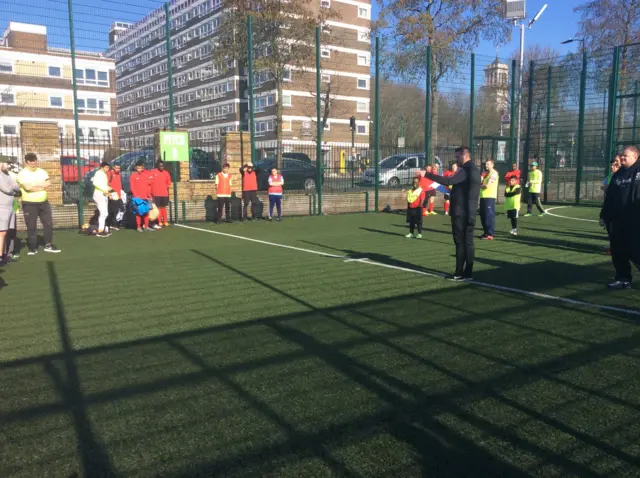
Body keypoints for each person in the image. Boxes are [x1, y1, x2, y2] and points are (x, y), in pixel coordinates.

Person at [423, 146, 481, 280]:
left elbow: (448, 181)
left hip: (461, 212)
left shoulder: (466, 170)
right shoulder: (475, 170)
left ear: (465, 156)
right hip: (470, 211)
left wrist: (427, 174)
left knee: (460, 242)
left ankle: (459, 272)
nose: (456, 159)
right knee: (468, 242)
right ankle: (468, 272)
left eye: (457, 157)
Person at [600, 146, 640, 289]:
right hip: (617, 221)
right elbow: (610, 196)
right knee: (617, 251)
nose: (622, 158)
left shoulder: (638, 171)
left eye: (626, 156)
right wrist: (604, 215)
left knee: (635, 250)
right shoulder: (618, 174)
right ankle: (623, 278)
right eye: (622, 156)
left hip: (634, 221)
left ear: (635, 157)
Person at [17, 153, 61, 255]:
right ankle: (33, 248)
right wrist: (40, 186)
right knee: (31, 226)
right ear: (26, 162)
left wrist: (34, 186)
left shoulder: (42, 171)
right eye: (30, 161)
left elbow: (48, 183)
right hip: (29, 204)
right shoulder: (22, 173)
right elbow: (28, 188)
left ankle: (48, 245)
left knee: (48, 224)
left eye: (34, 160)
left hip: (44, 202)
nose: (33, 163)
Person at [0, 156, 21, 265]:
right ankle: (1, 256)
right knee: (2, 233)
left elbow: (17, 186)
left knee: (8, 231)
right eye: (6, 163)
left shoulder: (7, 175)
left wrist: (13, 189)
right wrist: (13, 191)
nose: (8, 166)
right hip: (1, 208)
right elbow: (8, 189)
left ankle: (6, 255)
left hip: (10, 207)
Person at [600, 156, 621, 255]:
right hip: (609, 205)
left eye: (614, 165)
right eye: (611, 165)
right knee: (609, 227)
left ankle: (615, 248)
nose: (612, 167)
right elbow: (603, 186)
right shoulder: (610, 175)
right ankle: (613, 247)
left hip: (617, 207)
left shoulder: (622, 176)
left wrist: (607, 188)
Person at [130, 160, 153, 232]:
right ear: (136, 168)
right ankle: (138, 227)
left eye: (140, 168)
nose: (139, 169)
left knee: (146, 212)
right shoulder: (133, 175)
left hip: (145, 197)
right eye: (138, 168)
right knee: (138, 213)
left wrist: (149, 195)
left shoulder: (145, 175)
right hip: (138, 198)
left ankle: (146, 226)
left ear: (143, 168)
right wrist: (135, 196)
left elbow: (148, 186)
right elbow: (132, 186)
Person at [479, 159, 499, 240]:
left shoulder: (494, 173)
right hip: (483, 196)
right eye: (486, 164)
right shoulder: (485, 173)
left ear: (492, 165)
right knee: (483, 215)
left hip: (489, 197)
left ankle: (490, 234)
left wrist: (478, 185)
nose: (486, 166)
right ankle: (486, 232)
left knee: (488, 216)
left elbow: (487, 186)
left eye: (488, 164)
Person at [91, 162, 112, 237]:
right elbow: (95, 183)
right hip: (99, 194)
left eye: (108, 167)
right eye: (106, 167)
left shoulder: (104, 174)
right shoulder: (98, 173)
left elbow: (105, 186)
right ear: (102, 167)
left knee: (105, 213)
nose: (108, 169)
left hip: (104, 195)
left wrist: (111, 192)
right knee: (103, 213)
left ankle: (102, 229)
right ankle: (100, 231)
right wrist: (104, 190)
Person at [150, 160, 172, 228]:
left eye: (162, 166)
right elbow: (149, 179)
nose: (161, 167)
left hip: (164, 194)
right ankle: (159, 221)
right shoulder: (153, 172)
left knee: (163, 208)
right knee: (158, 208)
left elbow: (169, 182)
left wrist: (165, 187)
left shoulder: (166, 173)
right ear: (158, 166)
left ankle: (165, 221)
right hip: (156, 194)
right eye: (160, 166)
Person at [107, 163, 124, 231]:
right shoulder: (110, 173)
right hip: (113, 195)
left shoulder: (119, 174)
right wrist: (110, 194)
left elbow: (119, 184)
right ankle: (113, 225)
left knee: (121, 209)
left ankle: (115, 224)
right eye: (116, 168)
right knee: (114, 211)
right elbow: (108, 185)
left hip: (119, 195)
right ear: (113, 167)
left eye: (119, 168)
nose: (118, 169)